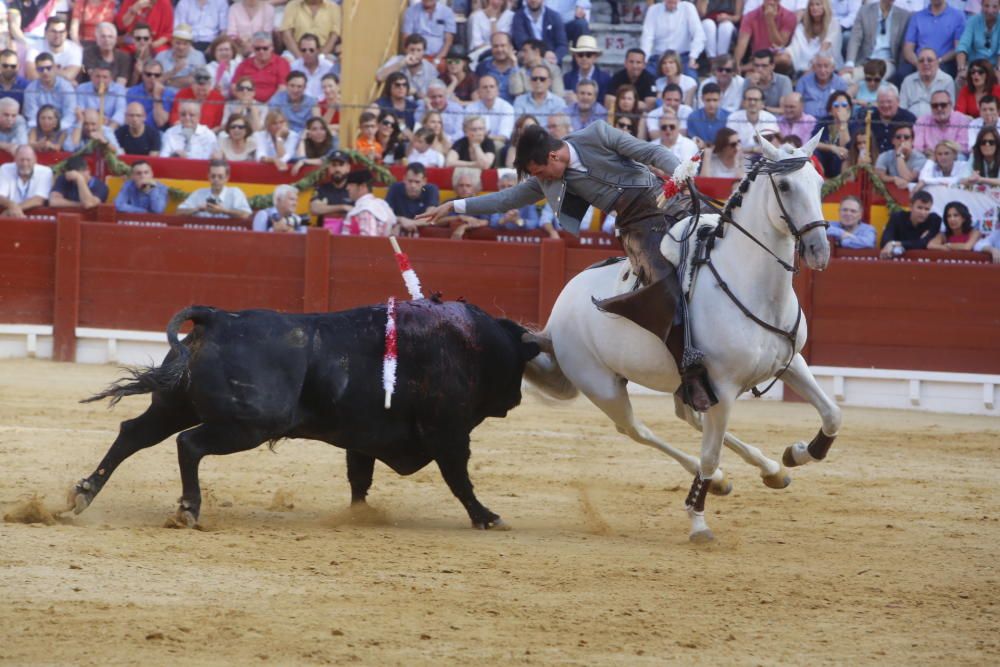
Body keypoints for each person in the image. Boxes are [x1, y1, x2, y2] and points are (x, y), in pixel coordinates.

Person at [417, 121, 717, 411]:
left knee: (732, 231)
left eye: (541, 172)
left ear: (553, 156)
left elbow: (650, 152)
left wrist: (681, 172)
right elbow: (505, 199)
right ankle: (690, 373)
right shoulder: (547, 179)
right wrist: (455, 206)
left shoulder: (597, 134)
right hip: (636, 225)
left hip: (668, 198)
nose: (542, 179)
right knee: (661, 283)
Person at [899, 0, 965, 80]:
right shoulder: (917, 17)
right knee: (900, 75)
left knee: (943, 76)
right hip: (918, 61)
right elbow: (908, 49)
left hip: (944, 62)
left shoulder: (958, 16)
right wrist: (920, 63)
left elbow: (958, 48)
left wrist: (938, 61)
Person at [844, 0, 908, 81]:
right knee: (845, 78)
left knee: (876, 76)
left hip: (887, 62)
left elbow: (904, 46)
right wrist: (850, 63)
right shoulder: (864, 11)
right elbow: (855, 39)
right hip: (865, 61)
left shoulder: (904, 16)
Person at [640, 0, 705, 79]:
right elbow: (647, 38)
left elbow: (699, 34)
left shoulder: (688, 8)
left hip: (682, 57)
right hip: (659, 57)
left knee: (691, 78)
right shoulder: (653, 10)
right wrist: (644, 59)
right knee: (646, 77)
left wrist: (693, 57)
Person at [734, 0, 796, 73]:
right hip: (757, 56)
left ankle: (744, 68)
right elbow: (742, 42)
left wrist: (770, 20)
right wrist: (736, 62)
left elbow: (780, 44)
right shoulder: (750, 16)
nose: (771, 2)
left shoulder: (789, 16)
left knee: (784, 59)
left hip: (776, 58)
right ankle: (743, 68)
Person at [178, 160, 252, 219]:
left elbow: (246, 214)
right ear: (208, 176)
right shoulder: (199, 193)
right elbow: (179, 211)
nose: (216, 179)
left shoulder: (235, 193)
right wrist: (197, 209)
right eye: (213, 176)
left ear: (227, 178)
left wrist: (223, 211)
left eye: (220, 176)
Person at [376, 34, 439, 101]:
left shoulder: (430, 68)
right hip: (395, 101)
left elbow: (431, 94)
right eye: (412, 50)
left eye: (419, 50)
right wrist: (402, 63)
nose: (415, 53)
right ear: (406, 50)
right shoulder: (397, 60)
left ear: (424, 52)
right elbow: (380, 77)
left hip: (419, 105)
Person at [879, 189, 941, 257]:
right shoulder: (897, 217)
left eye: (927, 209)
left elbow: (923, 244)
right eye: (919, 208)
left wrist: (895, 243)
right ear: (911, 206)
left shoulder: (934, 220)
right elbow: (885, 241)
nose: (923, 213)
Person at [233, 32, 290, 103]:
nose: (261, 51)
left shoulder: (281, 63)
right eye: (258, 48)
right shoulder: (244, 64)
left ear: (272, 47)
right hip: (247, 104)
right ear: (253, 48)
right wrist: (247, 101)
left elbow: (282, 88)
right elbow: (234, 86)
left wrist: (267, 106)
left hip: (273, 106)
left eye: (265, 48)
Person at [24, 53, 77, 129]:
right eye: (41, 69)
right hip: (38, 128)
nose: (45, 72)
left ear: (55, 67)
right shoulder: (30, 89)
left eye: (48, 68)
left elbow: (70, 115)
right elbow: (32, 116)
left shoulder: (66, 87)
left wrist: (57, 129)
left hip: (63, 128)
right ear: (37, 70)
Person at [899, 48, 956, 119]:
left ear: (937, 63)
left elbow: (949, 109)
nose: (925, 63)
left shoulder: (947, 80)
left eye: (929, 60)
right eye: (921, 61)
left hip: (937, 124)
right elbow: (902, 108)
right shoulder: (908, 80)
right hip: (910, 123)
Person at [386, 162, 439, 235]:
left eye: (417, 182)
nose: (413, 185)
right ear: (404, 179)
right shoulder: (395, 188)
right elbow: (387, 214)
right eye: (410, 181)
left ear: (424, 181)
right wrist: (401, 220)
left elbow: (430, 217)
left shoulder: (430, 190)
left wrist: (407, 223)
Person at [0, 145, 52, 216]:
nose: (25, 164)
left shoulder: (46, 172)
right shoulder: (5, 169)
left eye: (28, 160)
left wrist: (10, 211)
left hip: (34, 215)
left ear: (35, 160)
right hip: (10, 214)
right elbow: (1, 196)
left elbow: (39, 199)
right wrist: (12, 206)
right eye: (21, 160)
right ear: (15, 159)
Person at [914, 91, 971, 156]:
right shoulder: (922, 121)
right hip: (929, 158)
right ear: (930, 106)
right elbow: (918, 147)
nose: (939, 108)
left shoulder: (961, 120)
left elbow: (963, 148)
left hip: (955, 159)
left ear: (951, 105)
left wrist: (939, 154)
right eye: (935, 106)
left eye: (943, 105)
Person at [402, 0, 456, 68]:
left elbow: (448, 41)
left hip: (439, 56)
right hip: (417, 55)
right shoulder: (411, 11)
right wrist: (413, 56)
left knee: (445, 66)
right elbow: (406, 38)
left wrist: (437, 59)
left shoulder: (447, 12)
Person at [343, 169, 396, 237]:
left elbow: (368, 240)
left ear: (362, 186)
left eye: (351, 185)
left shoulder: (366, 209)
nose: (347, 188)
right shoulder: (381, 204)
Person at [795, 51, 848, 118]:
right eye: (819, 66)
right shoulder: (803, 81)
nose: (822, 70)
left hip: (831, 121)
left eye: (826, 66)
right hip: (807, 121)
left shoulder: (840, 83)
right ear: (814, 68)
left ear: (832, 68)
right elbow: (796, 103)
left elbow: (843, 106)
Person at [466, 74, 515, 146]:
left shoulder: (507, 108)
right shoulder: (471, 108)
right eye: (484, 87)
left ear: (497, 90)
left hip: (497, 143)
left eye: (492, 87)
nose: (488, 90)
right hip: (473, 142)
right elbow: (466, 132)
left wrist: (484, 138)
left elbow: (504, 136)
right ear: (479, 91)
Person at [727, 85, 779, 151]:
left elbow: (774, 145)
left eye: (756, 100)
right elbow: (730, 145)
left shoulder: (770, 118)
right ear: (743, 102)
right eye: (749, 99)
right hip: (739, 157)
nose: (752, 103)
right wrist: (753, 150)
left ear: (762, 103)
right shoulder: (733, 118)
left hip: (764, 159)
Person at [815, 91, 855, 176]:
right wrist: (832, 148)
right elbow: (814, 142)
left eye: (844, 105)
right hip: (825, 159)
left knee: (842, 155)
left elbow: (846, 146)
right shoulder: (824, 122)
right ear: (830, 109)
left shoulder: (854, 124)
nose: (840, 108)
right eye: (836, 105)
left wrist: (843, 122)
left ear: (850, 109)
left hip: (843, 161)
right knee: (815, 153)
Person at [874, 123, 926, 188]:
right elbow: (878, 176)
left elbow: (908, 178)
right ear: (893, 141)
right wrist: (894, 178)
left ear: (912, 141)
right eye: (898, 137)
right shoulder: (884, 156)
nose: (902, 140)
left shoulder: (920, 158)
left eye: (906, 137)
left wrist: (899, 155)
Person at [76, 63, 127, 129]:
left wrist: (110, 130)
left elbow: (121, 111)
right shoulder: (82, 88)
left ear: (111, 79)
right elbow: (81, 110)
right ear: (91, 76)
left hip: (111, 127)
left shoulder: (119, 90)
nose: (101, 81)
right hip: (88, 126)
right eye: (97, 76)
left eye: (105, 77)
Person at [309, 149, 352, 227]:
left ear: (348, 168)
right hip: (324, 235)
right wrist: (343, 207)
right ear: (329, 168)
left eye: (341, 165)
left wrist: (326, 208)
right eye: (334, 165)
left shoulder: (353, 189)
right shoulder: (322, 188)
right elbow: (314, 209)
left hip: (348, 235)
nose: (337, 169)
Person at [956, 0, 1000, 75]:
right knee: (960, 79)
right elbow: (963, 45)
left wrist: (998, 69)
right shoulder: (973, 21)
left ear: (999, 7)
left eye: (994, 7)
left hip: (995, 67)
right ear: (981, 5)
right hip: (974, 66)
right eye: (987, 6)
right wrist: (961, 67)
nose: (990, 10)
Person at [125, 59, 172, 129]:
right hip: (136, 129)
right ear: (143, 75)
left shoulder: (169, 94)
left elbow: (160, 122)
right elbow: (127, 119)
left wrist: (157, 96)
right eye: (148, 74)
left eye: (157, 75)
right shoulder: (132, 92)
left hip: (157, 133)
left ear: (161, 76)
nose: (152, 78)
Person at [870, 84, 916, 155]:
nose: (885, 105)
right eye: (881, 102)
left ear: (898, 102)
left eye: (889, 102)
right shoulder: (870, 118)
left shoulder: (909, 119)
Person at [155, 24, 205, 89]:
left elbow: (197, 81)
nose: (181, 47)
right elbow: (155, 81)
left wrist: (168, 82)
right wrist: (174, 71)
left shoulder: (198, 56)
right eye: (178, 43)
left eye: (185, 44)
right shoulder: (161, 56)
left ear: (190, 44)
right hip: (165, 95)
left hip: (188, 96)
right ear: (172, 42)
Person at [475, 32, 520, 103]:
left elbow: (518, 93)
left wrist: (514, 66)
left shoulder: (521, 66)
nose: (499, 49)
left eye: (503, 46)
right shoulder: (483, 67)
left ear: (511, 47)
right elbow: (476, 93)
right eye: (495, 46)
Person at [563, 35, 611, 102]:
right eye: (580, 55)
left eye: (588, 55)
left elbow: (602, 104)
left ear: (595, 58)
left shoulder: (604, 78)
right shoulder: (568, 77)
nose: (584, 58)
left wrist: (578, 102)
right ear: (576, 57)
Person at [744, 49, 793, 114]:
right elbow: (744, 107)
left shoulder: (783, 81)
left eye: (764, 66)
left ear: (772, 66)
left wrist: (764, 108)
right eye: (756, 65)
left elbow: (784, 110)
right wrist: (753, 87)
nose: (759, 69)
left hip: (776, 121)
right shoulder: (748, 81)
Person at [38, 16, 83, 83]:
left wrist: (45, 69)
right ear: (45, 33)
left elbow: (69, 76)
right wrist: (60, 72)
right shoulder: (35, 47)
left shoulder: (75, 49)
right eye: (53, 31)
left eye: (61, 32)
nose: (57, 36)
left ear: (66, 33)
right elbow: (32, 75)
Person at [686, 82, 730, 147]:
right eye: (708, 100)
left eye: (715, 100)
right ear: (702, 99)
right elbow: (692, 140)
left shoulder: (729, 117)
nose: (711, 104)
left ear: (720, 99)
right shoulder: (693, 117)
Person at [204, 36, 241, 100]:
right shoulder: (207, 69)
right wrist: (214, 89)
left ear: (232, 51)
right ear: (214, 53)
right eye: (220, 50)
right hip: (217, 102)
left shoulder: (238, 64)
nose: (224, 53)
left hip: (237, 101)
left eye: (227, 49)